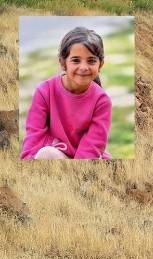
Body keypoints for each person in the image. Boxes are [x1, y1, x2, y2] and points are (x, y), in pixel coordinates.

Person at [21, 27, 112, 160]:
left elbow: (92, 146)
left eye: (91, 60)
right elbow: (34, 137)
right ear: (63, 63)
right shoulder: (44, 92)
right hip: (55, 155)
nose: (84, 67)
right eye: (76, 60)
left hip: (86, 160)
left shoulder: (102, 101)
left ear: (100, 64)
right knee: (45, 154)